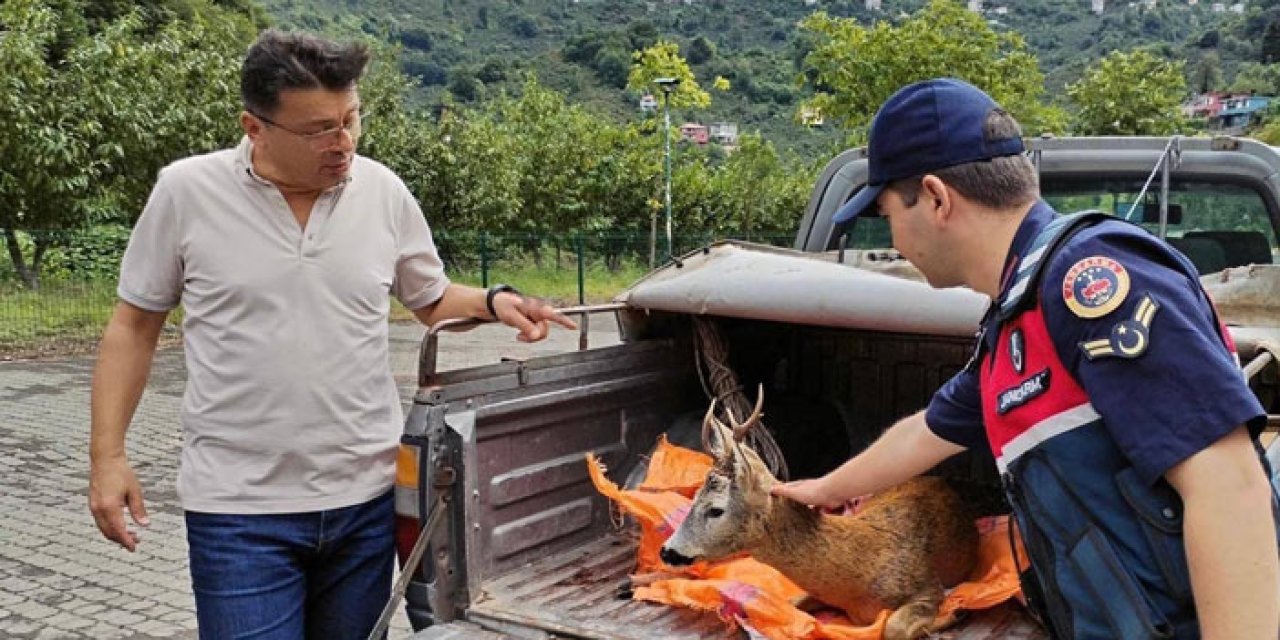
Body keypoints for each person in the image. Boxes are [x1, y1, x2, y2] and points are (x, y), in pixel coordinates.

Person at [87, 29, 576, 639]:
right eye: (319, 129)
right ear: (254, 126)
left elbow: (430, 298)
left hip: (365, 503)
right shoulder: (188, 193)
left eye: (351, 119)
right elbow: (133, 326)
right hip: (240, 512)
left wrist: (497, 300)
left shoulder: (382, 192)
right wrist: (107, 458)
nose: (342, 142)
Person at [771, 78, 1280, 639]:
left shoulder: (1088, 281)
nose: (891, 237)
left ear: (937, 198)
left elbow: (1228, 486)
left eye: (888, 212)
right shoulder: (1016, 318)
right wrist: (823, 491)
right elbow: (926, 432)